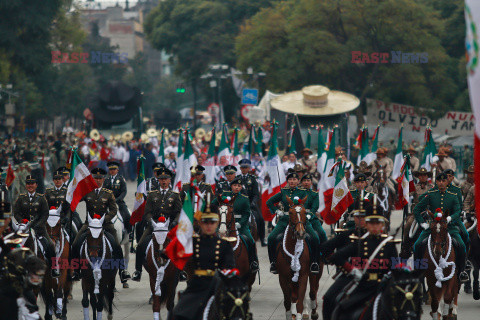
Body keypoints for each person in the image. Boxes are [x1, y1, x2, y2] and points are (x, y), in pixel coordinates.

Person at [327, 205, 398, 320]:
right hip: (364, 285)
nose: (374, 226)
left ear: (382, 224)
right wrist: (352, 270)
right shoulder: (360, 243)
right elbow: (337, 257)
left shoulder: (389, 244)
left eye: (378, 223)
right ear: (367, 224)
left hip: (383, 287)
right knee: (341, 307)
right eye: (371, 223)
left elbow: (395, 268)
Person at [171, 208, 235, 320]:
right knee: (176, 312)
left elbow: (229, 266)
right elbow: (178, 251)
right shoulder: (194, 242)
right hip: (197, 285)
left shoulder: (224, 244)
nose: (209, 226)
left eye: (212, 223)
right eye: (205, 223)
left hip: (217, 284)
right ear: (200, 224)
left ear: (217, 223)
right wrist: (167, 253)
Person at [70, 168, 131, 282]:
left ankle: (122, 271)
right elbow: (76, 198)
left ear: (104, 179)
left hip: (105, 224)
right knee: (76, 243)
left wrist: (104, 219)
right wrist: (72, 189)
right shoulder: (88, 192)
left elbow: (113, 210)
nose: (98, 180)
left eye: (100, 178)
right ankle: (76, 270)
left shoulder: (108, 193)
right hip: (89, 224)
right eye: (96, 178)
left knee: (116, 245)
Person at [413, 172, 469, 282]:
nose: (442, 183)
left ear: (447, 182)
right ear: (437, 182)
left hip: (450, 227)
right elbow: (417, 209)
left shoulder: (452, 196)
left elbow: (458, 211)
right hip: (433, 227)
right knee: (417, 245)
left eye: (444, 181)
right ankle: (417, 271)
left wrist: (450, 218)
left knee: (461, 245)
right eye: (439, 181)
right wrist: (422, 223)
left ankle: (462, 270)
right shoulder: (431, 195)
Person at [132, 168, 181, 281]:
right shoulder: (152, 195)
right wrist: (151, 222)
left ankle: (180, 270)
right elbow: (147, 212)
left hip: (169, 227)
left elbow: (179, 211)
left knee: (180, 245)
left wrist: (174, 222)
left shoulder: (174, 195)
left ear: (170, 181)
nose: (164, 181)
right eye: (161, 179)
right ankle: (138, 271)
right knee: (140, 245)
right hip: (154, 226)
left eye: (166, 179)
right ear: (158, 181)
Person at [320, 202, 368, 320]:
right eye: (358, 217)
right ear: (354, 218)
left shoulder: (381, 239)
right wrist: (344, 266)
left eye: (363, 217)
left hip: (374, 277)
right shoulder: (347, 235)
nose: (360, 220)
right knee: (328, 298)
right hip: (349, 275)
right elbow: (325, 248)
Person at [266, 171, 321, 274]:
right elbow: (269, 202)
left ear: (298, 181)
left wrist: (308, 215)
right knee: (271, 238)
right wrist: (276, 211)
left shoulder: (303, 192)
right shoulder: (283, 191)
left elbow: (305, 205)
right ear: (287, 181)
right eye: (290, 179)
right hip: (284, 220)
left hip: (300, 220)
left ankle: (314, 262)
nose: (292, 181)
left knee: (314, 237)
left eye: (294, 179)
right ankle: (273, 262)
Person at [13, 175, 60, 278]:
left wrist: (37, 224)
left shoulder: (41, 198)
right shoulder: (21, 198)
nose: (30, 186)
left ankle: (53, 268)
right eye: (28, 184)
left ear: (36, 185)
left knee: (50, 246)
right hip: (23, 229)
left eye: (32, 184)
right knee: (12, 246)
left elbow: (45, 214)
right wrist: (22, 221)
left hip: (39, 229)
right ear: (25, 185)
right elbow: (16, 212)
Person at [212, 176, 259, 272]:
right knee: (213, 240)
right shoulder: (225, 194)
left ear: (241, 187)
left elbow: (246, 213)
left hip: (240, 225)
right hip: (224, 223)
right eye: (234, 185)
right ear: (231, 186)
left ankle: (253, 262)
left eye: (239, 186)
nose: (237, 187)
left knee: (250, 241)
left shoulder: (244, 199)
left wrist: (240, 224)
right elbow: (213, 204)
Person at [238, 159, 266, 246]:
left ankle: (262, 239)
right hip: (239, 203)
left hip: (251, 204)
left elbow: (256, 194)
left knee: (261, 219)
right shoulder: (237, 179)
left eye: (246, 167)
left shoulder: (253, 179)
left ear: (249, 168)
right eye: (242, 167)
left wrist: (253, 203)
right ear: (240, 168)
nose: (244, 169)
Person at [103, 161, 132, 235]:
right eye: (111, 169)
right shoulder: (106, 180)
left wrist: (118, 199)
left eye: (114, 169)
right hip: (108, 202)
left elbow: (124, 191)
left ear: (117, 170)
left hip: (119, 201)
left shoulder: (121, 179)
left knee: (127, 215)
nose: (112, 171)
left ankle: (129, 232)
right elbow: (103, 191)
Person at [300, 174, 327, 244]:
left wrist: (309, 215)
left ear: (311, 183)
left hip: (312, 218)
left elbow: (315, 207)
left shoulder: (314, 194)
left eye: (308, 181)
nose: (306, 182)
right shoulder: (298, 193)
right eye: (304, 181)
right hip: (299, 217)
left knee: (322, 233)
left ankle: (325, 252)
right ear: (301, 182)